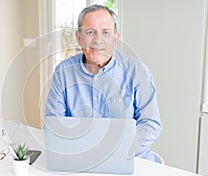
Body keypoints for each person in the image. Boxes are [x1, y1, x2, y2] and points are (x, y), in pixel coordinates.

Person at [45, 4, 162, 161]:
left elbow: (150, 124)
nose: (98, 40)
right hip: (81, 160)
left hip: (130, 159)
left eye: (106, 32)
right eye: (90, 32)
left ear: (115, 38)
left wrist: (118, 152)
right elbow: (55, 125)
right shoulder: (63, 73)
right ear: (78, 37)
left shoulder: (137, 71)